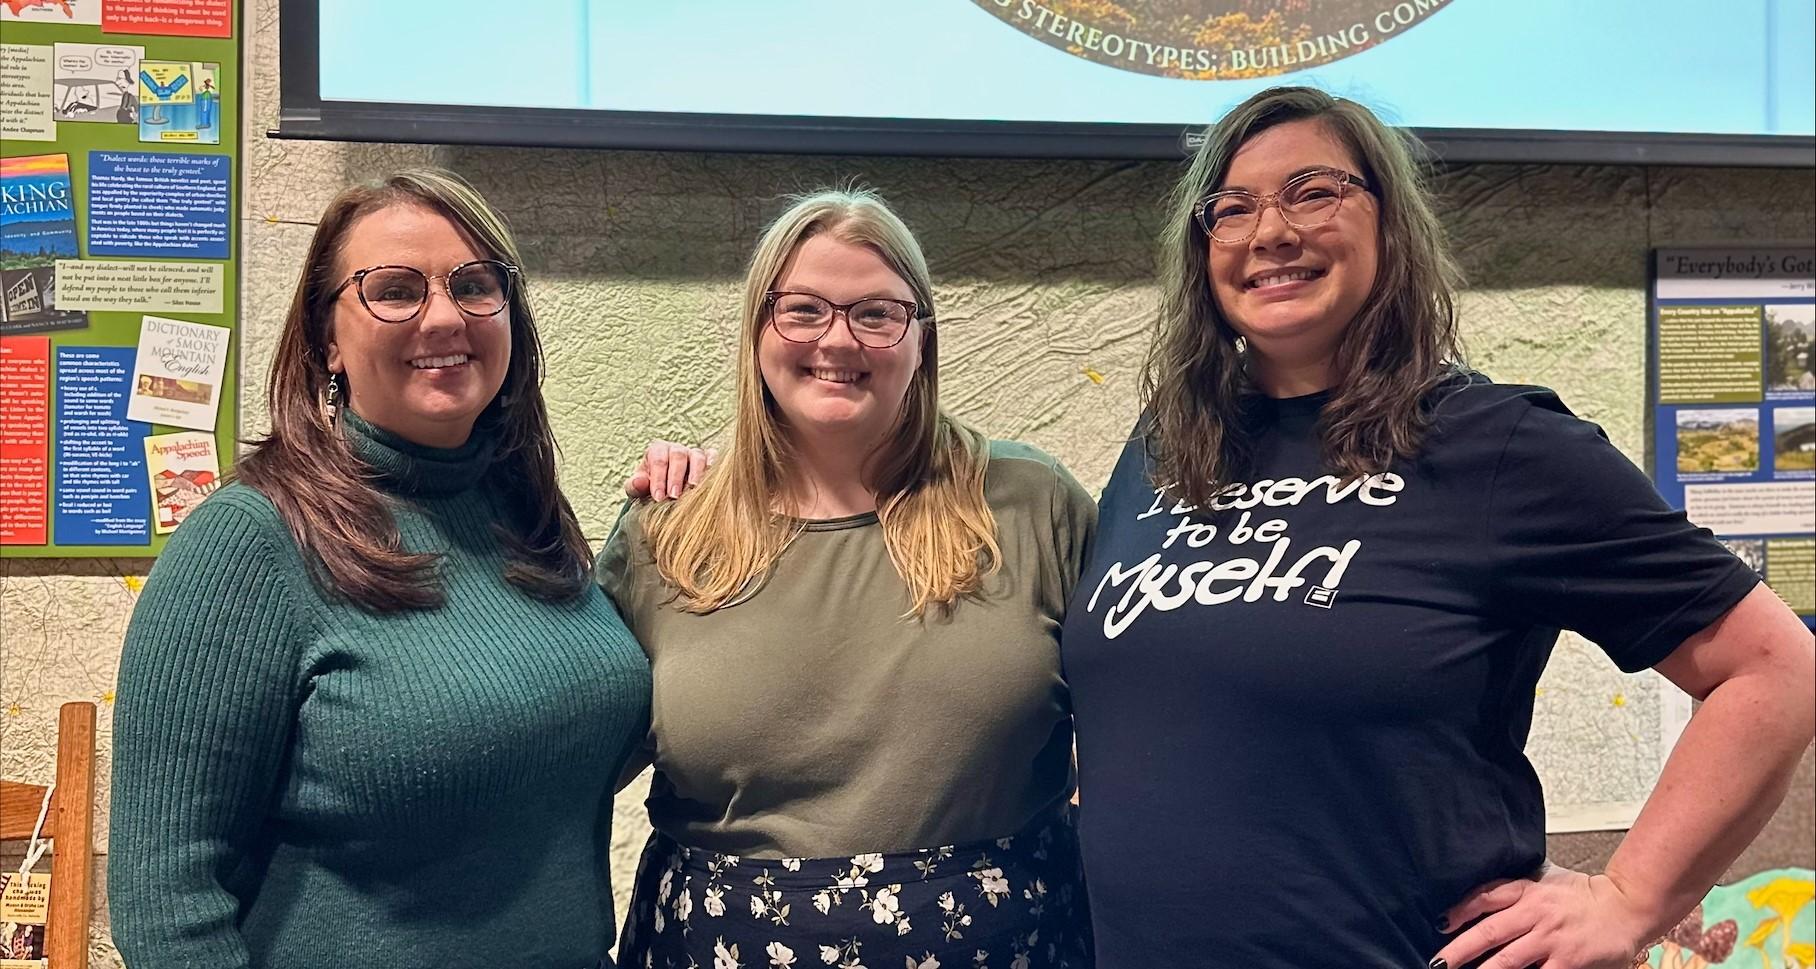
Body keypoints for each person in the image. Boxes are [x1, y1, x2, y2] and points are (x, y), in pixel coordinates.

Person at [1059, 86, 1816, 969]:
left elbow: (1774, 667)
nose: (1270, 231)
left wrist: (1629, 898)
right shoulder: (1167, 445)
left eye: (1313, 192)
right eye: (1232, 208)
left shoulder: (1499, 444)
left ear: (1390, 222)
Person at [109, 169, 651, 969]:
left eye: (474, 285)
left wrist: (691, 509)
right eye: (395, 290)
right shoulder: (248, 543)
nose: (445, 316)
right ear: (327, 339)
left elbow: (560, 749)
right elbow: (166, 905)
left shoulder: (524, 508)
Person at [599, 188, 1096, 968]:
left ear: (922, 339)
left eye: (876, 313)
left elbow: (1141, 733)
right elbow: (570, 761)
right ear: (757, 331)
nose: (838, 338)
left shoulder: (1034, 504)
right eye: (802, 310)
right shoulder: (666, 528)